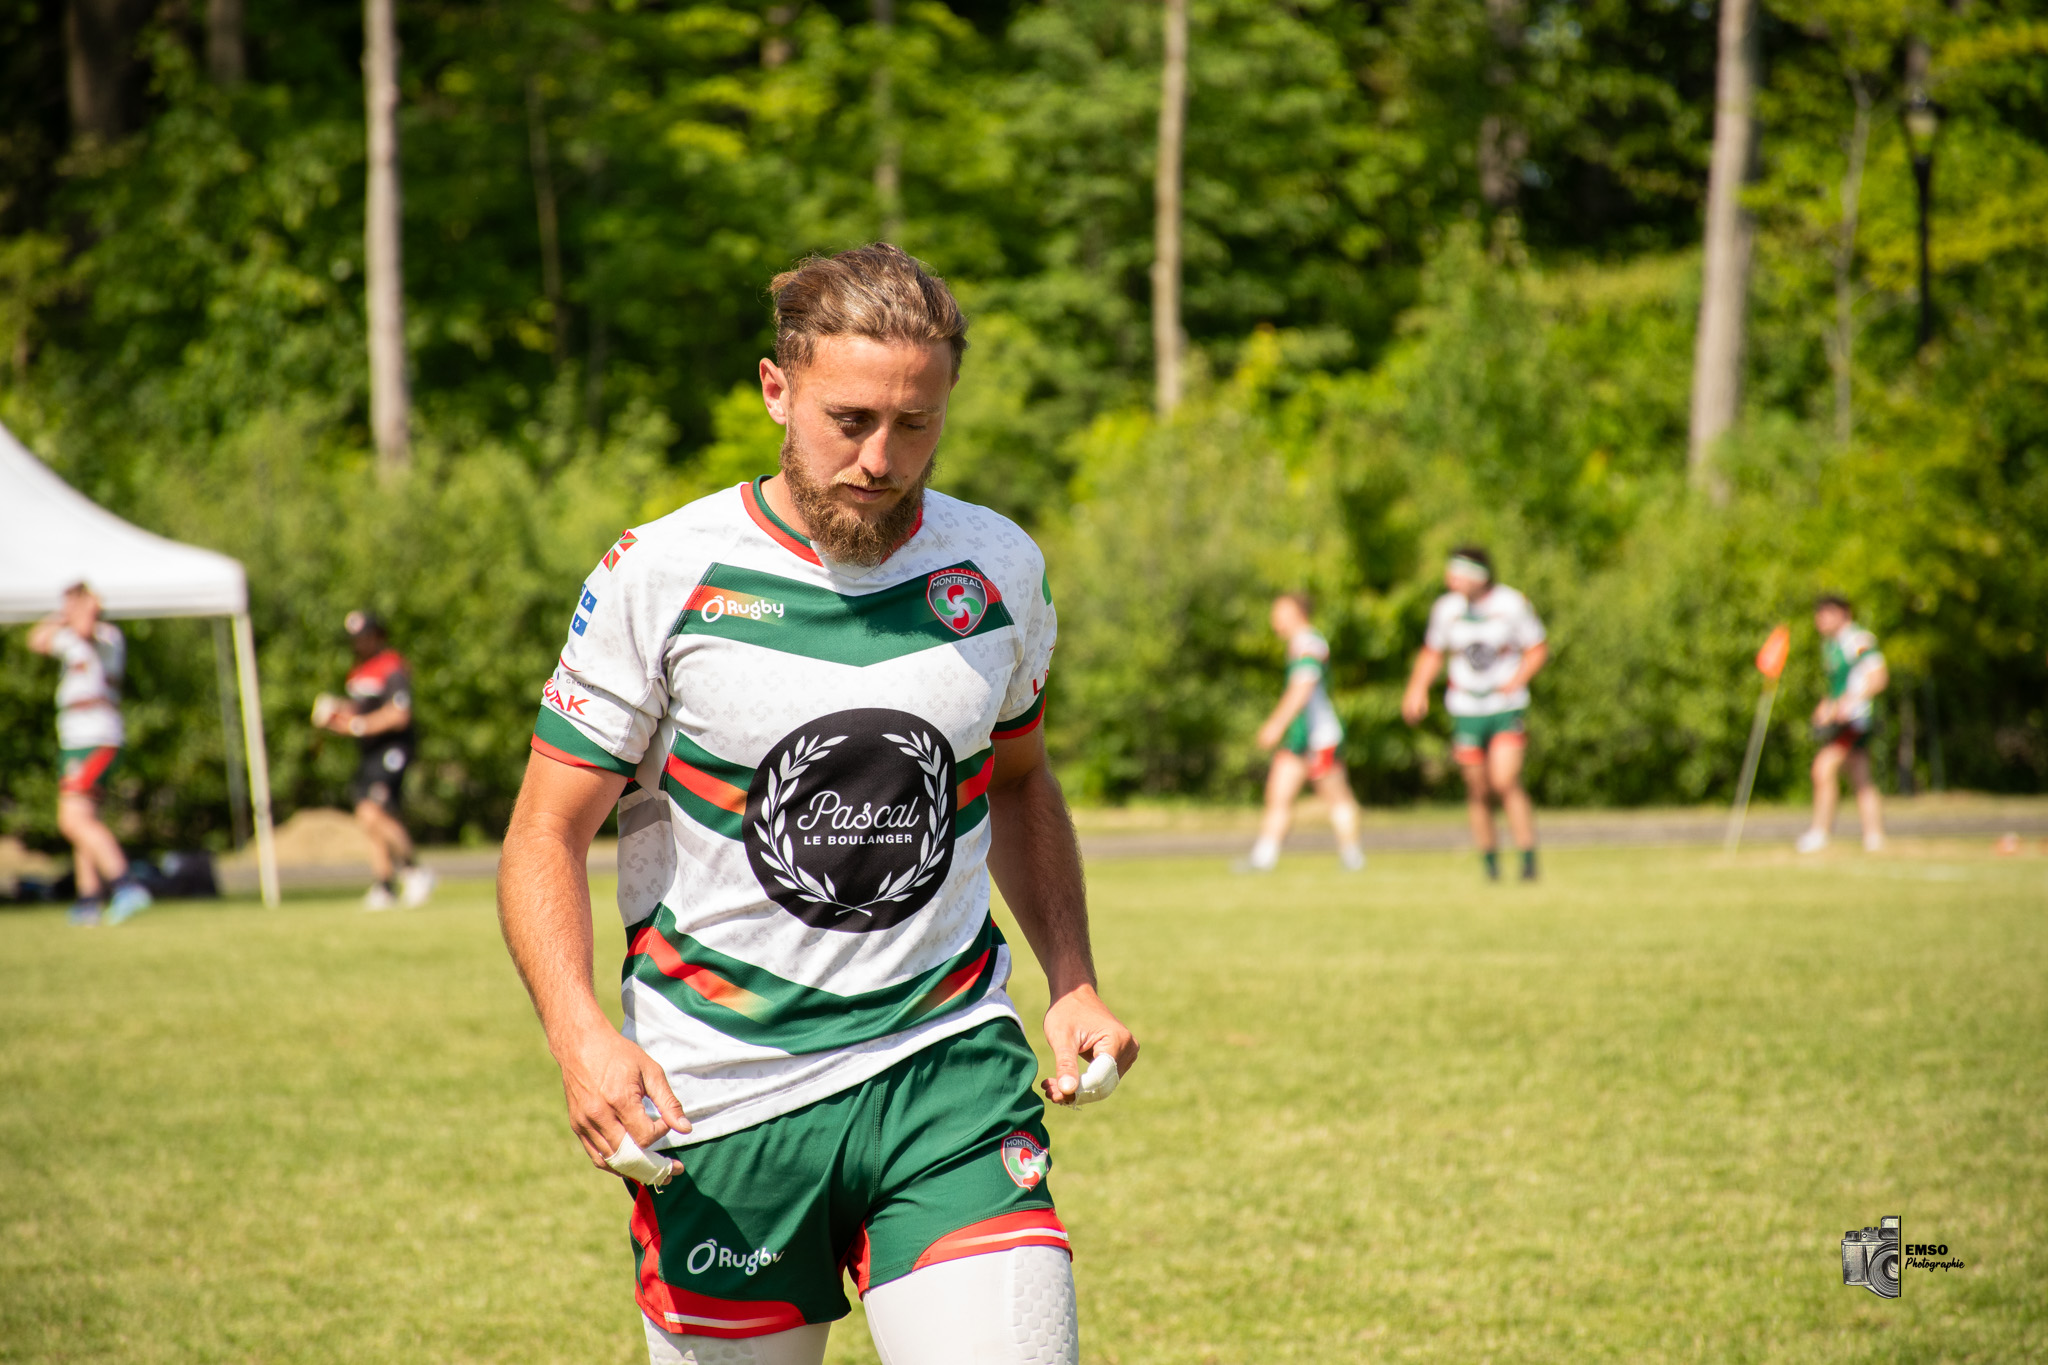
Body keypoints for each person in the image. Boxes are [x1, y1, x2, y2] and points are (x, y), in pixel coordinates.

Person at [497, 244, 1138, 1365]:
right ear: (775, 390)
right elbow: (544, 832)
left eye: (916, 425)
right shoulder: (662, 571)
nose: (880, 459)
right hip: (715, 1101)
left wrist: (1072, 981)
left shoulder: (996, 567)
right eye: (848, 421)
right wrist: (578, 1039)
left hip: (944, 1066)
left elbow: (1020, 780)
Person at [1401, 547, 1549, 881]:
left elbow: (1537, 648)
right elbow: (1432, 652)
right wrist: (1417, 689)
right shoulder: (1446, 609)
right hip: (1466, 708)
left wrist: (1516, 681)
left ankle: (1527, 859)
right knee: (1477, 787)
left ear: (1477, 576)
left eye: (1457, 573)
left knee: (1505, 779)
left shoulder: (1511, 604)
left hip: (1503, 706)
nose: (1449, 580)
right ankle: (1490, 864)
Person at [27, 583, 152, 925]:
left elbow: (84, 628)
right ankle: (89, 898)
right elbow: (35, 640)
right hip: (77, 738)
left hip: (95, 737)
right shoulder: (69, 633)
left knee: (72, 820)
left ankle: (125, 884)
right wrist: (63, 614)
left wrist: (82, 610)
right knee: (84, 820)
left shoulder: (106, 635)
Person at [316, 611, 433, 909]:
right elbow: (361, 708)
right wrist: (336, 713)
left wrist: (357, 726)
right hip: (368, 752)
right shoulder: (357, 672)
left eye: (365, 637)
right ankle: (384, 885)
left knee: (373, 813)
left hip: (392, 749)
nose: (359, 644)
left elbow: (398, 713)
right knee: (368, 818)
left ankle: (415, 871)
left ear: (378, 635)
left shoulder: (391, 666)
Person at [1243, 594, 1365, 872]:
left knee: (1336, 797)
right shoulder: (1298, 643)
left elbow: (1303, 686)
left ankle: (1352, 857)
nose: (1275, 619)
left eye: (1280, 611)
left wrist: (1276, 723)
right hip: (1299, 737)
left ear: (1298, 612)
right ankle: (1263, 858)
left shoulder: (1309, 642)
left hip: (1321, 736)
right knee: (1278, 794)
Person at [1797, 594, 1888, 853]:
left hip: (1855, 719)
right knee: (1861, 777)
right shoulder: (1831, 645)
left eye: (1828, 612)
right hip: (1846, 718)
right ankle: (1874, 836)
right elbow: (1840, 685)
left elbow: (1878, 677)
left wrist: (1845, 703)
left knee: (1823, 769)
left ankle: (1820, 832)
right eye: (1819, 613)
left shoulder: (1856, 640)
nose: (1821, 618)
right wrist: (1827, 704)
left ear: (1844, 613)